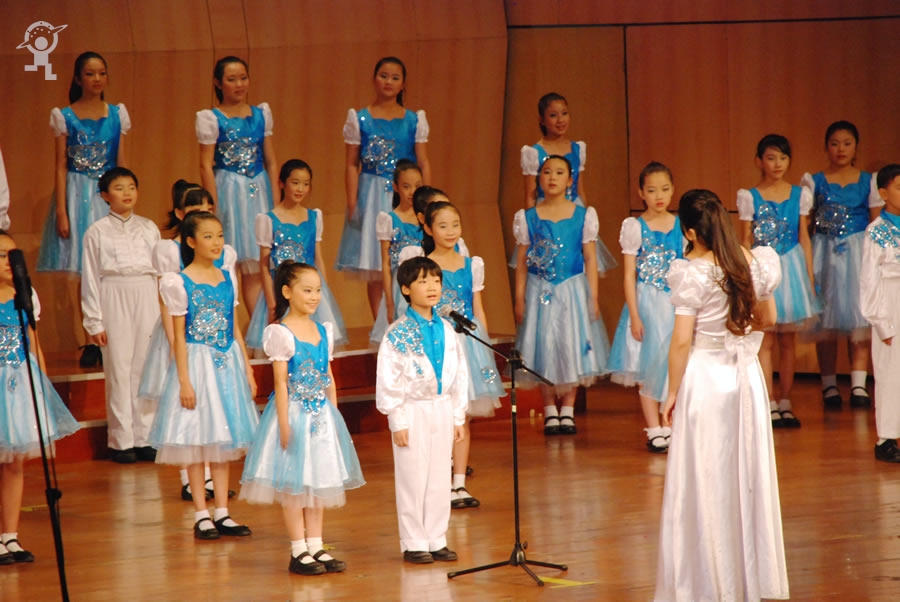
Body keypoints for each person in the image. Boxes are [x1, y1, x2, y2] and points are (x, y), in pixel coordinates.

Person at [655, 189, 787, 601]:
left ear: (691, 232)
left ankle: (706, 582)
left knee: (705, 477)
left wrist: (671, 392)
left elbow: (681, 342)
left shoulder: (692, 272)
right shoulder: (751, 261)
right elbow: (769, 318)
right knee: (744, 474)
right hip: (745, 376)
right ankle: (746, 578)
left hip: (707, 379)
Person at [241, 261, 365, 575]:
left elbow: (328, 378)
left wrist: (334, 415)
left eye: (318, 290)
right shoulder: (280, 333)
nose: (314, 296)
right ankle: (298, 549)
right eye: (307, 290)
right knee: (294, 484)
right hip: (294, 413)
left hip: (321, 416)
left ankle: (316, 544)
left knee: (319, 480)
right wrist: (284, 424)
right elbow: (281, 383)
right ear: (287, 292)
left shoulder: (323, 330)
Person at [148, 211, 258, 540]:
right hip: (197, 364)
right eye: (208, 236)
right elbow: (179, 338)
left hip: (226, 363)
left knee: (223, 440)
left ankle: (222, 512)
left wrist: (247, 367)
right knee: (196, 442)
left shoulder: (226, 277)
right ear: (191, 241)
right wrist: (184, 380)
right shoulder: (179, 282)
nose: (216, 242)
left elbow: (234, 327)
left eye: (220, 235)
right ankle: (201, 514)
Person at [137, 182, 237, 501]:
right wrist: (173, 343)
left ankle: (215, 490)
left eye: (207, 209)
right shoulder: (171, 255)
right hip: (185, 338)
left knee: (217, 413)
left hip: (217, 346)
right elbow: (167, 305)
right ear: (182, 216)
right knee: (187, 413)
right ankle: (191, 481)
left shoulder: (224, 261)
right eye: (195, 211)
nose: (202, 215)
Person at [37, 51, 131, 368]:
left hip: (107, 194)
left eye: (102, 73)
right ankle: (91, 339)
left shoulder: (117, 114)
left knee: (111, 270)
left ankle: (115, 336)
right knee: (85, 271)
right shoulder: (65, 116)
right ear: (78, 78)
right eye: (90, 74)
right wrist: (62, 212)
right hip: (78, 197)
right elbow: (61, 166)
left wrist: (124, 198)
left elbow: (121, 164)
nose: (97, 79)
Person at [376, 256, 468, 564]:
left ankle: (436, 537)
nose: (432, 287)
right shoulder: (397, 333)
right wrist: (397, 420)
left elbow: (459, 375)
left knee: (439, 475)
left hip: (442, 406)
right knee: (413, 476)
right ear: (406, 289)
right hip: (412, 409)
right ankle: (414, 541)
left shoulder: (448, 329)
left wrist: (457, 416)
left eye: (436, 281)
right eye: (422, 281)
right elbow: (389, 379)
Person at [513, 155, 609, 436]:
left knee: (570, 344)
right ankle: (549, 410)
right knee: (544, 345)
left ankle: (567, 409)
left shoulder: (583, 216)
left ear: (570, 180)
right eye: (546, 172)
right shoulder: (528, 217)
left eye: (559, 172)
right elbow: (522, 262)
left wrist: (593, 296)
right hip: (539, 288)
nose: (552, 177)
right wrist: (519, 297)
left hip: (572, 289)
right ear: (539, 178)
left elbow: (590, 258)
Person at [0, 231, 80, 564]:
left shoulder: (25, 294)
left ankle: (10, 535)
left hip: (19, 382)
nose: (9, 262)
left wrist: (42, 384)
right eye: (1, 255)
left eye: (13, 255)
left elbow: (34, 343)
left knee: (14, 463)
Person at [335, 57, 431, 317]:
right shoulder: (360, 118)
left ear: (403, 84)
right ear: (374, 79)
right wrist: (353, 202)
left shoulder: (414, 120)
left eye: (395, 77)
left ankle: (410, 317)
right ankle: (381, 322)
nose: (389, 82)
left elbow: (423, 161)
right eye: (384, 76)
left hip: (407, 194)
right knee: (377, 264)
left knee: (409, 259)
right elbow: (351, 164)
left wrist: (426, 198)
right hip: (371, 195)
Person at [422, 201, 503, 509]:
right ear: (428, 229)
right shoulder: (424, 266)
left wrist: (484, 343)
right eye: (443, 226)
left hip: (468, 343)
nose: (450, 231)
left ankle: (459, 483)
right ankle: (440, 481)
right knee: (439, 416)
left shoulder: (472, 265)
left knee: (462, 416)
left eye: (455, 224)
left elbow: (477, 308)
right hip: (438, 345)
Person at [738, 134, 820, 429]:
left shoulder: (800, 195)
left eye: (783, 158)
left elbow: (804, 239)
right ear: (759, 161)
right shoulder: (750, 196)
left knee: (788, 341)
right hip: (763, 270)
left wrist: (809, 278)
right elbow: (745, 240)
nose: (777, 164)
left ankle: (786, 401)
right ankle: (768, 402)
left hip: (792, 270)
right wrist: (747, 280)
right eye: (771, 158)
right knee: (766, 340)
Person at [801, 120, 882, 409]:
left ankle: (858, 384)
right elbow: (804, 222)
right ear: (826, 147)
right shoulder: (814, 181)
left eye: (847, 143)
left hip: (858, 252)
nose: (841, 149)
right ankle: (829, 384)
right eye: (835, 143)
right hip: (825, 252)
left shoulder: (868, 181)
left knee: (859, 319)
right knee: (826, 320)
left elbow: (876, 222)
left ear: (856, 147)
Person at [80, 167, 159, 464]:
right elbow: (90, 277)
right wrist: (94, 320)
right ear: (104, 195)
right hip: (113, 292)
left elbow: (161, 272)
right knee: (119, 368)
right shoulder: (97, 231)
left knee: (145, 367)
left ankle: (145, 437)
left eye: (131, 187)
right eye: (119, 188)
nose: (127, 193)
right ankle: (121, 441)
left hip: (146, 292)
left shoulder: (149, 228)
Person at [609, 162, 682, 452]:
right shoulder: (634, 227)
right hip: (647, 304)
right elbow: (629, 275)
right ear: (641, 193)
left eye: (664, 189)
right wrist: (635, 315)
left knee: (673, 364)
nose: (659, 196)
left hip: (675, 305)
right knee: (647, 366)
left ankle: (671, 424)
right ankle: (654, 428)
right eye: (651, 190)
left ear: (673, 190)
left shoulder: (681, 225)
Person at [197, 55, 278, 313]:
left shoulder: (261, 114)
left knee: (257, 264)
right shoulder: (212, 118)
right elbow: (205, 164)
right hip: (229, 191)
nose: (239, 84)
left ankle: (260, 326)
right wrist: (212, 206)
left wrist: (276, 201)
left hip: (259, 189)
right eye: (232, 79)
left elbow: (271, 161)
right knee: (229, 262)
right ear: (218, 83)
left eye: (243, 78)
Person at [246, 159, 347, 351]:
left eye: (306, 184)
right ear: (282, 183)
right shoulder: (268, 220)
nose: (301, 188)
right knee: (284, 345)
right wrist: (272, 305)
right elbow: (264, 266)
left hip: (308, 287)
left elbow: (318, 258)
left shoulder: (314, 217)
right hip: (281, 289)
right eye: (295, 182)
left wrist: (322, 292)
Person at [516, 92, 616, 273]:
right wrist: (534, 227)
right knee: (551, 266)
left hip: (573, 213)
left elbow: (580, 189)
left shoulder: (577, 149)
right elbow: (530, 195)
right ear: (542, 119)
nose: (560, 120)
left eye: (564, 113)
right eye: (553, 115)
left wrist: (585, 217)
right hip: (546, 214)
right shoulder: (534, 153)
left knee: (577, 265)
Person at [860, 164, 900, 462]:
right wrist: (881, 322)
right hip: (891, 306)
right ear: (884, 193)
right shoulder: (876, 231)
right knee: (890, 373)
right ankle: (886, 437)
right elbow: (869, 280)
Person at [368, 160, 425, 344]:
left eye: (417, 186)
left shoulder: (426, 218)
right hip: (400, 288)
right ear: (395, 187)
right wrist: (389, 302)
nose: (412, 191)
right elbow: (385, 264)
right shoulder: (389, 219)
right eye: (406, 186)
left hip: (425, 285)